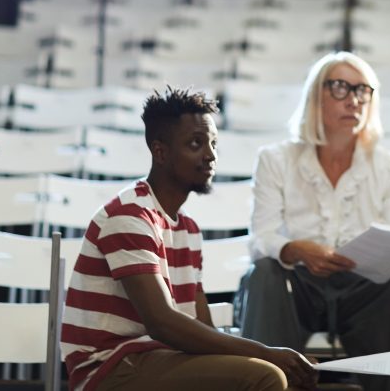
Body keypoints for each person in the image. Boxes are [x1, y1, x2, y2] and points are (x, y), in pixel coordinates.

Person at [60, 87, 317, 391]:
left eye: (213, 143)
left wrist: (273, 358)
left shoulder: (188, 229)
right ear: (161, 152)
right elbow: (162, 322)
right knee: (266, 376)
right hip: (109, 368)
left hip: (160, 360)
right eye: (196, 143)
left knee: (280, 375)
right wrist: (266, 355)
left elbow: (201, 326)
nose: (210, 155)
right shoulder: (130, 215)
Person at [236, 51, 390, 391]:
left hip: (365, 290)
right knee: (264, 271)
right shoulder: (276, 159)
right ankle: (264, 382)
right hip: (297, 288)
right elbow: (260, 237)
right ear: (315, 97)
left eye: (362, 90)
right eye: (340, 88)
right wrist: (294, 249)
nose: (353, 100)